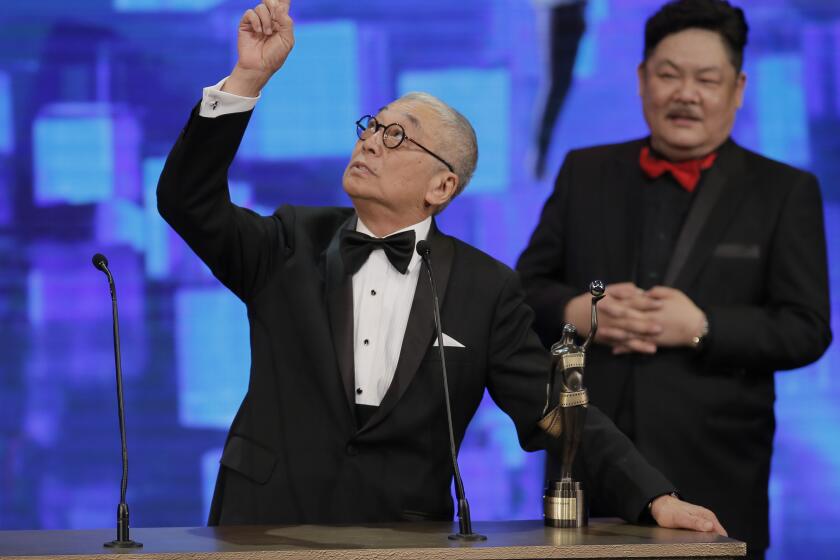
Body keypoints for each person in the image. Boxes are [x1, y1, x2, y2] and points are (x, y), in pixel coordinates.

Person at [157, 0, 726, 534]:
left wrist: (654, 497)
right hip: (262, 522)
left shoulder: (486, 288)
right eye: (372, 128)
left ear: (442, 185)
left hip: (401, 532)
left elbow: (553, 410)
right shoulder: (287, 241)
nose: (372, 143)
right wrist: (247, 80)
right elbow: (188, 202)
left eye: (397, 136)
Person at [516, 1, 831, 558]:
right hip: (588, 463)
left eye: (707, 79)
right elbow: (522, 294)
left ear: (737, 88)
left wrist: (701, 327)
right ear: (641, 80)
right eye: (668, 75)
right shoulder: (584, 171)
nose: (686, 94)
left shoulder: (784, 191)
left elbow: (806, 329)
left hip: (717, 468)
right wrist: (576, 313)